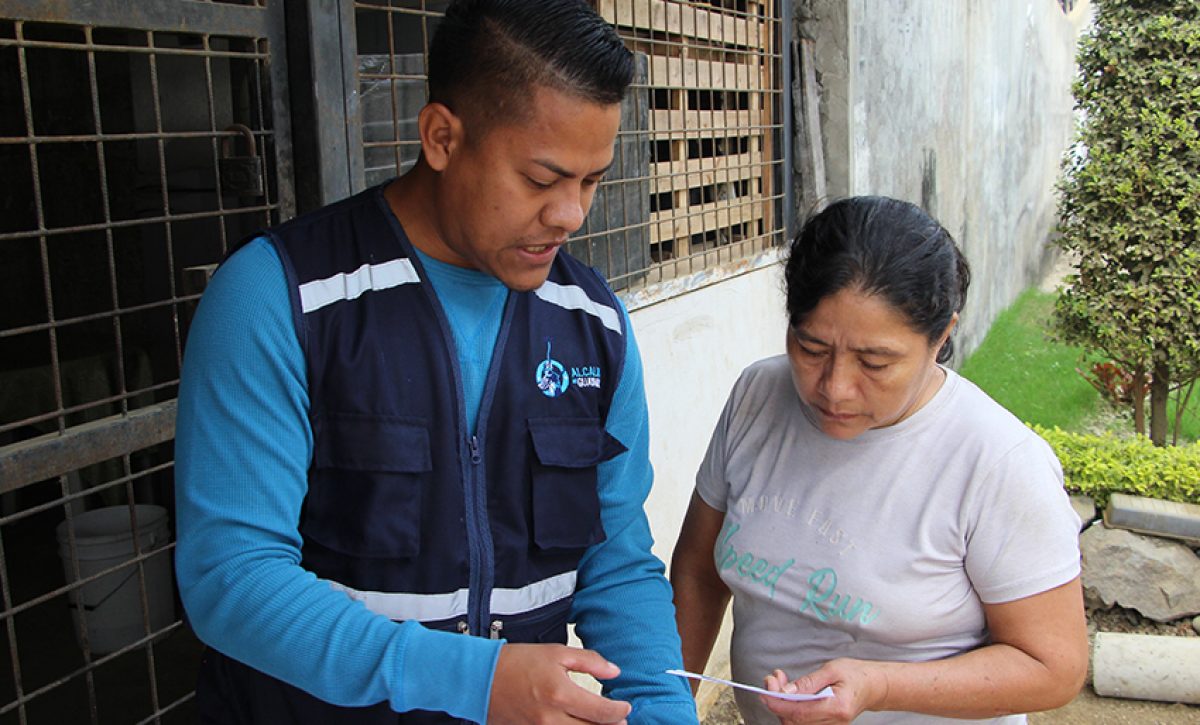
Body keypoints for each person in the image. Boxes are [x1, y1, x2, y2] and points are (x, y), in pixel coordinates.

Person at [173, 1, 699, 722]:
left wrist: (663, 707)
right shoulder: (283, 297)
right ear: (442, 136)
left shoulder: (593, 322)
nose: (572, 215)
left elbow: (615, 557)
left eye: (590, 180)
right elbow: (230, 578)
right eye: (542, 180)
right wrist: (472, 678)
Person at [670, 196, 1088, 724]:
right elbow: (699, 570)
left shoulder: (997, 462)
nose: (836, 388)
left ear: (942, 336)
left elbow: (1054, 666)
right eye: (811, 349)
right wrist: (668, 707)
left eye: (876, 361)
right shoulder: (759, 396)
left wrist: (877, 684)